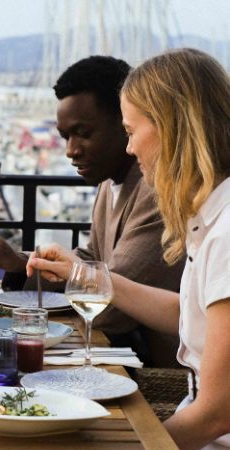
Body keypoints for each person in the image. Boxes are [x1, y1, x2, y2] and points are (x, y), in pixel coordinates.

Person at [29, 48, 230, 449]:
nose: (129, 149)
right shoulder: (210, 217)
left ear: (173, 128)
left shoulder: (226, 233)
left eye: (132, 131)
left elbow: (217, 414)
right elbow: (188, 312)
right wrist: (81, 274)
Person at [0, 56, 184, 368]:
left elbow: (110, 308)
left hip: (154, 367)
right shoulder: (110, 179)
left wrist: (69, 273)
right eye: (65, 136)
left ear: (124, 122)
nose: (70, 150)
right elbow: (92, 263)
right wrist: (20, 263)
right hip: (113, 348)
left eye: (83, 133)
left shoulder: (155, 191)